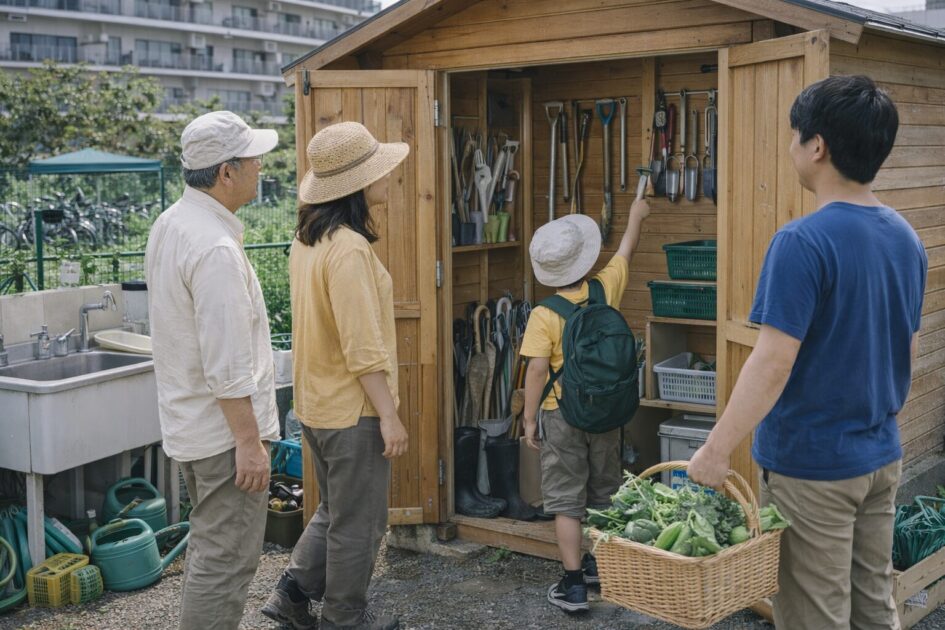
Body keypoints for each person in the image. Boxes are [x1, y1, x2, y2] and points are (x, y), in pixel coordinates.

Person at [688, 75, 927, 629]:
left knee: (813, 615)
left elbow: (773, 361)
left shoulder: (802, 241)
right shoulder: (906, 237)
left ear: (816, 146)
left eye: (796, 135)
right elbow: (906, 350)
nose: (792, 146)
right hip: (880, 455)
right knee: (873, 603)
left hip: (813, 466)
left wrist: (716, 450)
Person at [261, 122, 409, 630]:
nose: (388, 176)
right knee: (361, 524)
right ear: (359, 185)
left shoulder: (308, 242)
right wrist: (389, 416)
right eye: (378, 170)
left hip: (318, 405)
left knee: (334, 511)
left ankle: (292, 595)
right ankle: (344, 618)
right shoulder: (347, 248)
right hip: (353, 411)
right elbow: (362, 348)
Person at [145, 111, 281, 630]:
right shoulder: (215, 248)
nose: (261, 168)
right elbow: (225, 363)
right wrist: (249, 441)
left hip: (193, 427)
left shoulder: (171, 224)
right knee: (226, 562)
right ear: (227, 172)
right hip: (225, 436)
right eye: (253, 160)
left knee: (210, 553)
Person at [520, 199, 650, 613]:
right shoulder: (605, 288)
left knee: (565, 499)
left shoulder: (544, 314)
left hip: (562, 415)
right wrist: (635, 216)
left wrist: (528, 419)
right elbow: (626, 248)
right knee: (605, 490)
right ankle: (603, 568)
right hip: (606, 412)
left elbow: (537, 371)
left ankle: (574, 584)